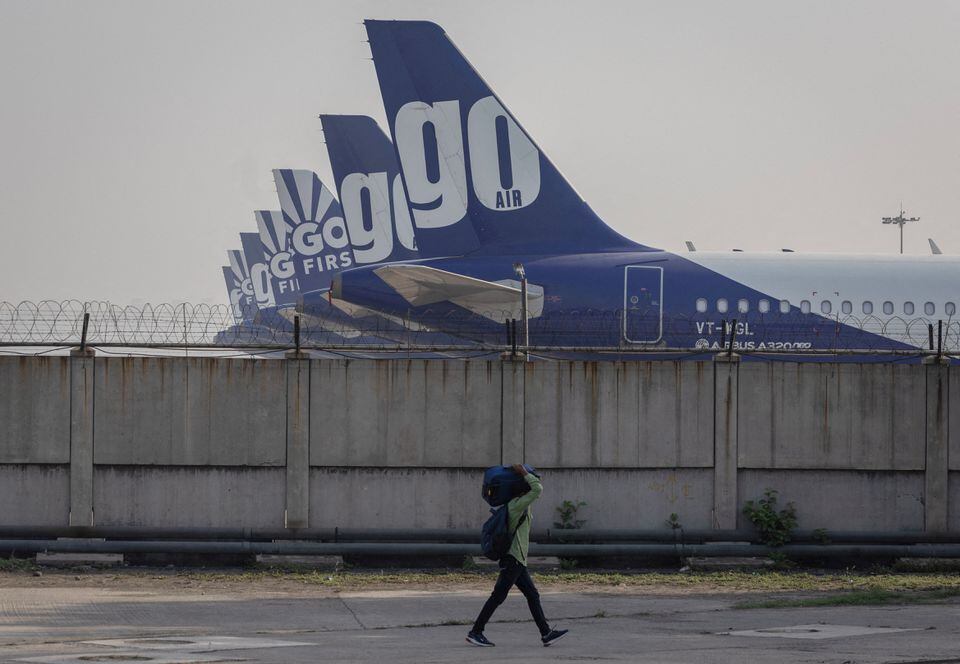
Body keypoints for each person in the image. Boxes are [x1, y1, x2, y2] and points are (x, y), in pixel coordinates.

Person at [467, 464, 569, 647]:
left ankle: (546, 633)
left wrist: (526, 475)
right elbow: (538, 488)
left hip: (518, 561)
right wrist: (524, 473)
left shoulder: (520, 503)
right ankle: (476, 631)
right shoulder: (516, 505)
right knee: (498, 597)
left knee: (532, 595)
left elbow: (535, 488)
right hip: (512, 559)